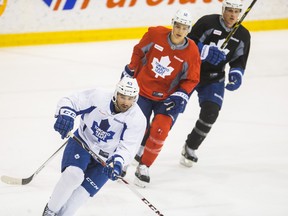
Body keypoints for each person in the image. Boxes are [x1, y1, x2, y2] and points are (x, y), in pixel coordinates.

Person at [121, 8, 202, 187]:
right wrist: (131, 68)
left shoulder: (192, 51)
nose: (180, 30)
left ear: (189, 30)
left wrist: (181, 94)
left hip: (167, 98)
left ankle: (144, 166)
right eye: (178, 25)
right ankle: (124, 160)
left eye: (184, 27)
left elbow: (192, 79)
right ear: (173, 23)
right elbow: (138, 51)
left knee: (160, 130)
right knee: (135, 126)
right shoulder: (155, 34)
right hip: (142, 90)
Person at [42, 77, 146, 216]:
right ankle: (50, 210)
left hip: (106, 160)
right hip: (83, 143)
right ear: (116, 94)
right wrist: (66, 115)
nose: (126, 102)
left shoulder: (137, 119)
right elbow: (72, 101)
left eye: (130, 98)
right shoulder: (99, 97)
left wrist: (117, 162)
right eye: (123, 96)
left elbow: (128, 147)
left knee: (78, 198)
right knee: (73, 175)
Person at [180, 0, 251, 167]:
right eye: (229, 10)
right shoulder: (207, 22)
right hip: (190, 72)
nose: (233, 15)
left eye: (236, 11)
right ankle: (145, 145)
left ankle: (190, 146)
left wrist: (236, 74)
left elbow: (239, 61)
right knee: (171, 109)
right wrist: (203, 51)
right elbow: (186, 43)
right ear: (223, 9)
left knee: (211, 112)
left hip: (214, 77)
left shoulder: (243, 35)